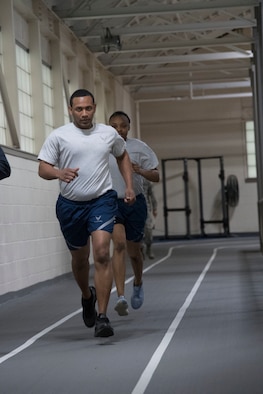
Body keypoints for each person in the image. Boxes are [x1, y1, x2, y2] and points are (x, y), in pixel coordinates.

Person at [38, 89, 135, 337]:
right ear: (71, 110)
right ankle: (87, 295)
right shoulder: (59, 136)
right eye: (78, 109)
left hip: (101, 200)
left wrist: (129, 186)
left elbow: (122, 154)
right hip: (70, 206)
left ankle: (103, 317)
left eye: (88, 108)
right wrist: (59, 173)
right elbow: (43, 168)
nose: (84, 113)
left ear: (94, 108)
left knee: (102, 252)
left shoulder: (107, 133)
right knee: (80, 260)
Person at [109, 111, 159, 316]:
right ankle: (120, 297)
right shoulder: (102, 148)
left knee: (134, 253)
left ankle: (138, 282)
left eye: (123, 126)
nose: (119, 129)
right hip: (111, 203)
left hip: (135, 203)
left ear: (128, 127)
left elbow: (156, 175)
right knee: (118, 245)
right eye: (114, 126)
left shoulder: (139, 147)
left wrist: (140, 171)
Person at [142, 178, 158, 259]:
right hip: (133, 207)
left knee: (148, 228)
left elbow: (152, 194)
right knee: (137, 230)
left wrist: (155, 208)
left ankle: (149, 247)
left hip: (145, 207)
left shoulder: (146, 179)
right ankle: (140, 249)